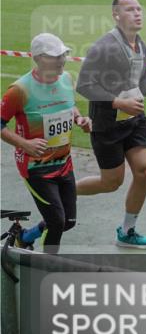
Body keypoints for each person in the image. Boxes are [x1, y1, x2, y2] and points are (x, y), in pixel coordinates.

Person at [75, 0, 146, 249]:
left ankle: (127, 230)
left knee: (143, 171)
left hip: (135, 121)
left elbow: (142, 79)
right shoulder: (103, 47)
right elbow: (84, 86)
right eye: (129, 9)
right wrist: (118, 103)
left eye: (139, 9)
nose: (137, 13)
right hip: (107, 125)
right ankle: (65, 191)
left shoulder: (141, 46)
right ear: (116, 15)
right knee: (111, 183)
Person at [0, 33, 92, 252]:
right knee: (56, 222)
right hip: (35, 168)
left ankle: (25, 236)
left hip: (64, 163)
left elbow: (68, 106)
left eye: (63, 54)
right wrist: (24, 144)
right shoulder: (19, 90)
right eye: (56, 56)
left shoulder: (67, 79)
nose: (62, 60)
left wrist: (79, 119)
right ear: (39, 59)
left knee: (68, 222)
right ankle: (46, 269)